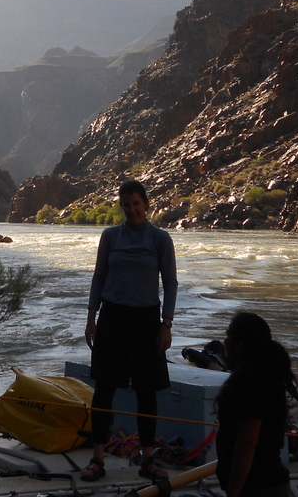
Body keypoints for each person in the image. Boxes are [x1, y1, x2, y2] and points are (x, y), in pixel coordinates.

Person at [81, 179, 178, 482]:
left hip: (148, 321)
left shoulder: (160, 239)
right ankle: (97, 460)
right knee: (104, 391)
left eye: (136, 204)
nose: (132, 210)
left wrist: (166, 324)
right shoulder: (110, 237)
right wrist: (91, 318)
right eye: (126, 206)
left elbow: (171, 283)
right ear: (121, 208)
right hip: (113, 319)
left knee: (146, 393)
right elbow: (99, 277)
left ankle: (148, 460)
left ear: (146, 204)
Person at [215, 312, 295, 497]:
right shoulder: (268, 376)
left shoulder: (249, 383)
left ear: (239, 346)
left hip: (257, 486)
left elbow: (248, 442)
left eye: (228, 336)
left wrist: (234, 492)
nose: (224, 340)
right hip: (269, 481)